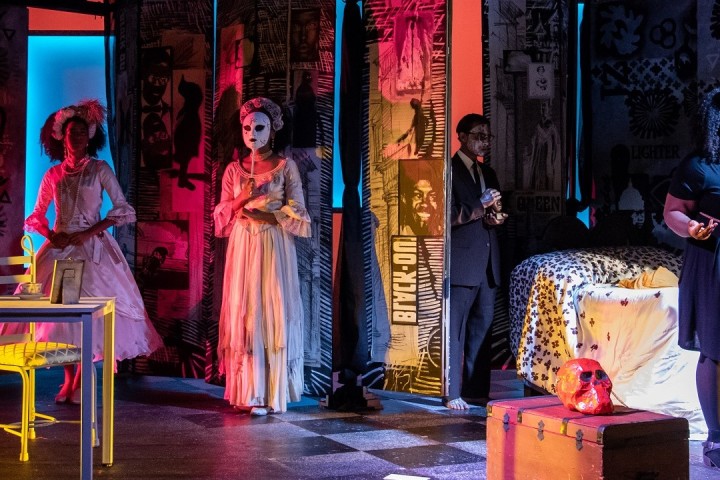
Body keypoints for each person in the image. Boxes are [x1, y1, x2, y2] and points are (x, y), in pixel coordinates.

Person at [0, 99, 163, 403]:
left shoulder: (99, 169)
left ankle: (82, 382)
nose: (76, 138)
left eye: (81, 133)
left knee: (91, 314)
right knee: (64, 316)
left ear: (89, 136)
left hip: (92, 251)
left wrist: (88, 232)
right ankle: (67, 378)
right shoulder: (54, 175)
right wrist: (52, 234)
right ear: (61, 136)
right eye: (71, 133)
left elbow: (122, 210)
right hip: (61, 251)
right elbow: (37, 214)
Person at [214, 97, 311, 415]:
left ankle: (272, 391)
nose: (252, 133)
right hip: (245, 244)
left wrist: (274, 216)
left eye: (259, 127)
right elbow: (222, 212)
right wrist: (242, 198)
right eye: (247, 128)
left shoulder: (286, 167)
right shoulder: (233, 169)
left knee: (272, 307)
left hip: (274, 244)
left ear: (272, 130)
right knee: (246, 308)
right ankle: (250, 391)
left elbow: (299, 209)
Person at [664, 86, 720, 469]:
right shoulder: (699, 166)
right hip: (714, 258)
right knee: (715, 348)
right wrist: (692, 228)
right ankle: (716, 436)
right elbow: (672, 213)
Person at [446, 113, 505, 410]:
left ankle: (476, 391)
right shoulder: (449, 170)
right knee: (455, 330)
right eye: (479, 135)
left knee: (483, 329)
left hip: (487, 262)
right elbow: (445, 216)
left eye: (488, 136)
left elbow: (489, 214)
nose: (484, 141)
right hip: (462, 262)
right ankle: (452, 391)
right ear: (462, 136)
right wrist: (479, 205)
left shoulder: (489, 173)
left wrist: (495, 216)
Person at [399, 160, 441, 236]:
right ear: (404, 198)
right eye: (418, 195)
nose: (425, 204)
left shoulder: (444, 234)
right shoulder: (397, 233)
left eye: (432, 196)